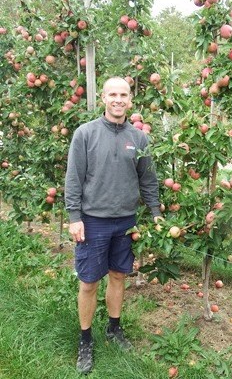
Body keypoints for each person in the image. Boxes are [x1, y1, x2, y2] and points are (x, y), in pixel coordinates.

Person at [65, 76, 163, 374]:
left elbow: (148, 179)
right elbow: (73, 177)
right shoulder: (85, 134)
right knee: (89, 281)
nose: (118, 99)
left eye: (124, 94)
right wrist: (74, 217)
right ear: (103, 98)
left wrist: (156, 212)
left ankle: (114, 328)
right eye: (113, 94)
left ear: (130, 99)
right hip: (93, 221)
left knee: (119, 276)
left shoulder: (139, 138)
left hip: (125, 221)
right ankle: (85, 339)